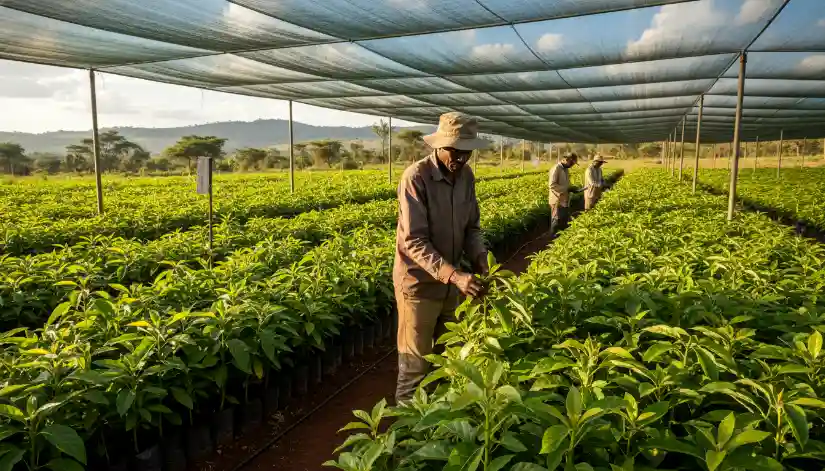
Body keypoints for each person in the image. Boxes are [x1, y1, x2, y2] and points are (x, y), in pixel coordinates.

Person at [393, 112, 489, 404]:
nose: (460, 158)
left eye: (466, 152)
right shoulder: (416, 177)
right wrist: (455, 274)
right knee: (415, 367)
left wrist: (481, 259)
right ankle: (406, 440)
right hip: (419, 287)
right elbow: (414, 241)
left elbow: (472, 227)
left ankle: (437, 432)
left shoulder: (466, 177)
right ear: (438, 146)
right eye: (455, 151)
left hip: (451, 288)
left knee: (451, 362)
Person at [549, 152, 578, 238]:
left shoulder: (565, 169)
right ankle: (552, 241)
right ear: (566, 159)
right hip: (557, 200)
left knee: (564, 220)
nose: (572, 165)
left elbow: (565, 184)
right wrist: (566, 189)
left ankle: (560, 240)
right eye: (572, 163)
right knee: (556, 220)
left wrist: (571, 188)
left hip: (564, 199)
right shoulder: (556, 168)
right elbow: (552, 185)